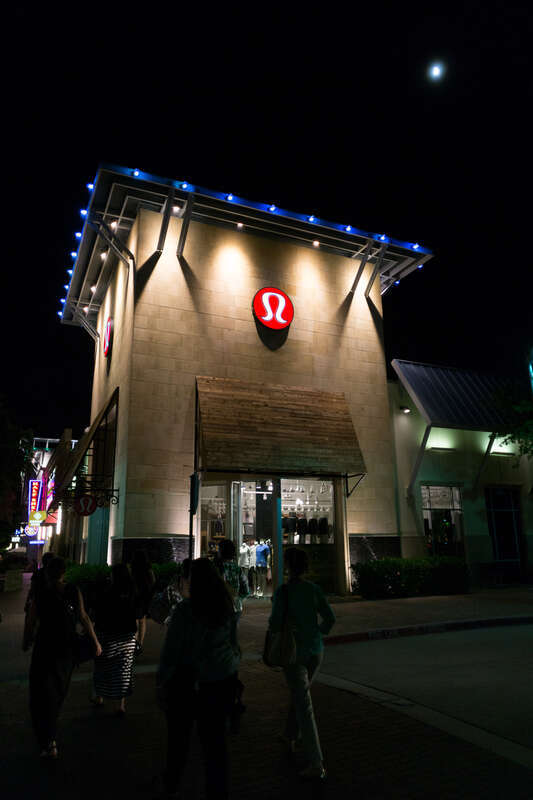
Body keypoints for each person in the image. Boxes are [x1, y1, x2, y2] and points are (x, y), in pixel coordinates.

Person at [157, 557, 240, 800]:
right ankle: (217, 790)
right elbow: (234, 644)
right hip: (222, 679)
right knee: (215, 744)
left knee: (179, 741)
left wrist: (162, 681)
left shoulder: (185, 611)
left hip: (189, 682)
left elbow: (171, 651)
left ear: (191, 581)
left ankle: (171, 785)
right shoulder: (227, 606)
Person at [22, 556, 102, 758]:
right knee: (58, 692)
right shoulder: (73, 590)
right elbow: (84, 617)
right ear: (64, 572)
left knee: (40, 693)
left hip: (45, 647)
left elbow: (31, 620)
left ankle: (46, 740)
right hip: (66, 648)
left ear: (47, 573)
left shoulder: (41, 593)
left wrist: (26, 640)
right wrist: (95, 642)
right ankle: (51, 739)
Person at [268, 547, 335, 780]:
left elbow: (275, 624)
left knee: (304, 705)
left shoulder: (283, 593)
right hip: (316, 651)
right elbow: (330, 618)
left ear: (287, 565)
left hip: (293, 654)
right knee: (301, 696)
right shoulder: (314, 590)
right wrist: (316, 632)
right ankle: (289, 735)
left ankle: (317, 763)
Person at [92, 563, 138, 715]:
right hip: (128, 635)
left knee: (103, 666)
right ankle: (121, 705)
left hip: (108, 634)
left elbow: (99, 613)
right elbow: (137, 614)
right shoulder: (131, 592)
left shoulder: (107, 591)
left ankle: (99, 697)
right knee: (123, 670)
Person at [130, 549, 155, 653]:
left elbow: (130, 581)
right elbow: (153, 580)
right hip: (145, 596)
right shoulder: (148, 568)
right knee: (142, 620)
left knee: (135, 619)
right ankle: (140, 643)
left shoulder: (133, 568)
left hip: (135, 596)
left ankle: (133, 643)